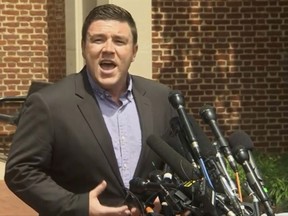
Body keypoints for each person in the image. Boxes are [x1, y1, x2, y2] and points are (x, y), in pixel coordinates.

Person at [4, 4, 178, 216]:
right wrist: (77, 205)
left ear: (133, 52)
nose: (108, 49)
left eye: (119, 41)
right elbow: (20, 171)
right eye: (98, 40)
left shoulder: (161, 98)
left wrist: (169, 193)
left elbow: (181, 163)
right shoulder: (49, 104)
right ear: (84, 48)